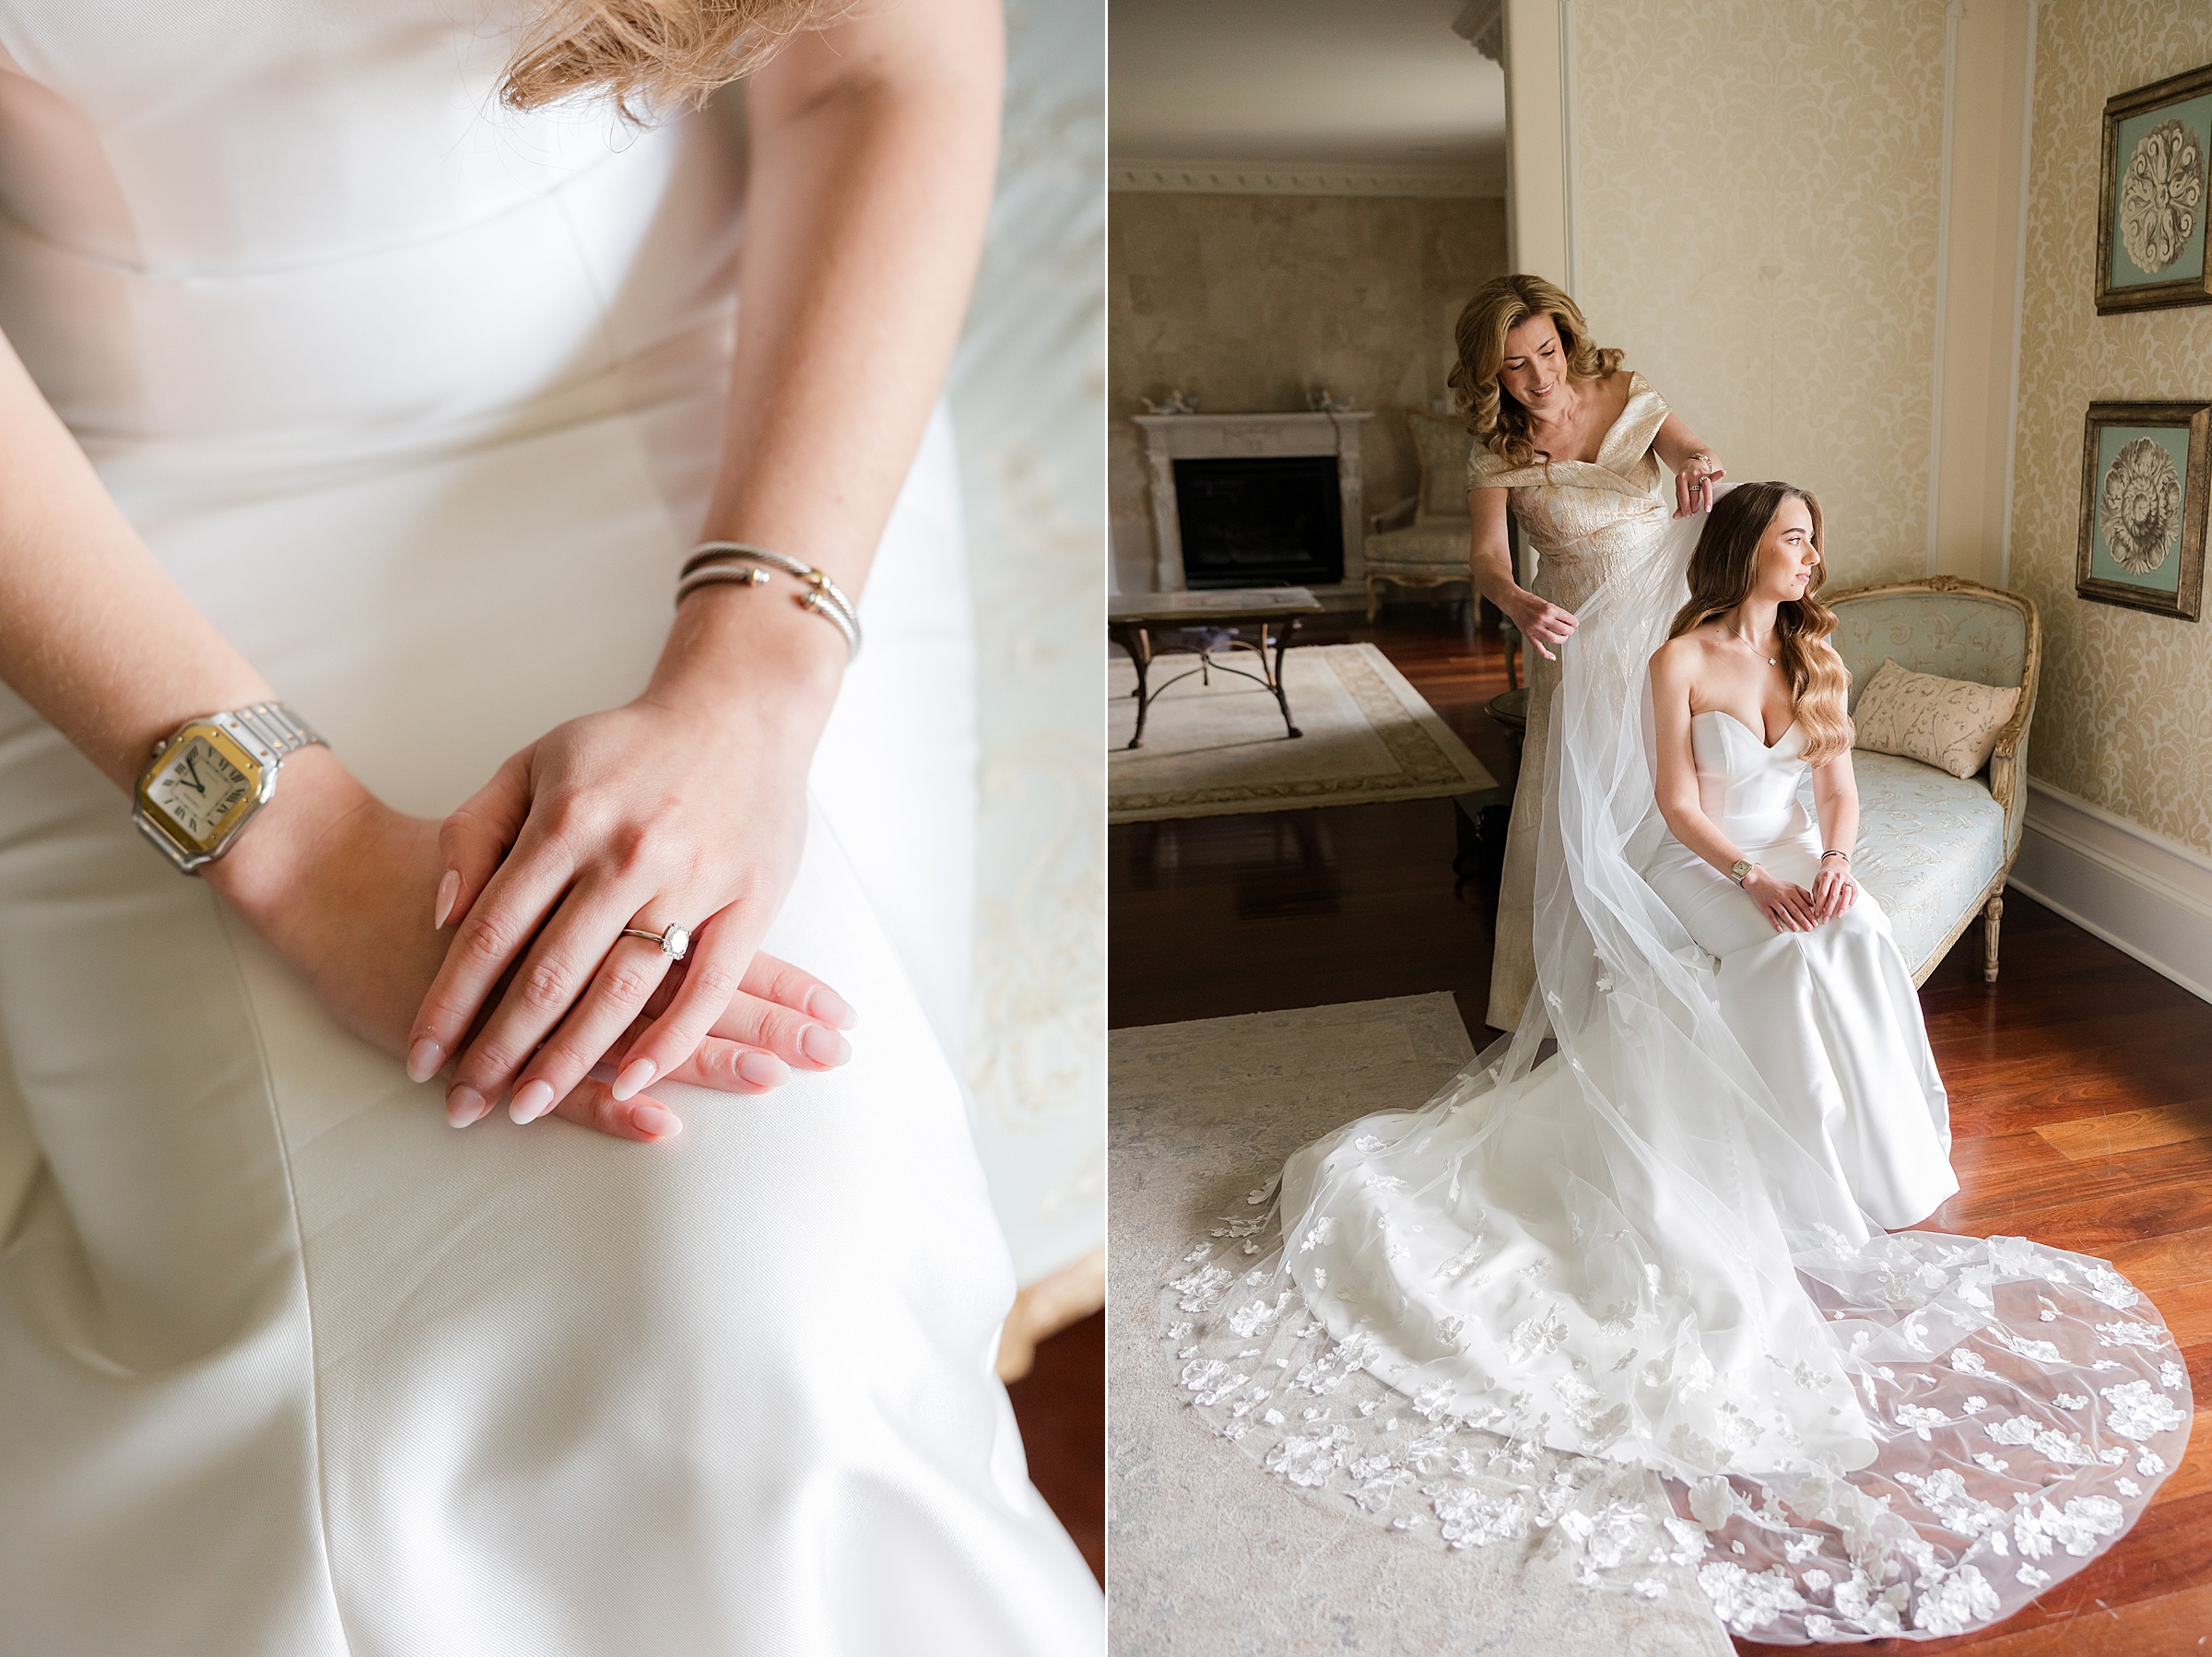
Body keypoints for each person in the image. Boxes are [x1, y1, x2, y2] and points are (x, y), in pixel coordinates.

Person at [0, 2, 1101, 1651]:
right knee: (412, 1401)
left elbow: (883, 61)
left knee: (756, 1314)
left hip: (735, 431)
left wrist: (751, 672)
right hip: (113, 533)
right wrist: (290, 846)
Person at [1166, 484, 2189, 1643]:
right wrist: (1753, 880)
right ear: (1746, 547)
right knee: (1780, 957)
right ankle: (1774, 1160)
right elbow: (1672, 802)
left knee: (1847, 937)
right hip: (1708, 864)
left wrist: (1839, 862)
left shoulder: (1820, 659)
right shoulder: (1678, 662)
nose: (1812, 555)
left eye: (1814, 536)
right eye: (1795, 537)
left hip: (1800, 854)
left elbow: (1839, 789)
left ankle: (1864, 1165)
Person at [1457, 273, 1725, 1032]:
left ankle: (1686, 966)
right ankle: (1585, 989)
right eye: (1516, 364)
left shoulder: (1624, 390)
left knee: (1677, 781)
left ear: (1565, 338)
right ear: (1492, 374)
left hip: (1668, 622)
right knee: (1589, 802)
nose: (1540, 376)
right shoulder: (1496, 452)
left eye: (1546, 350)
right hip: (1580, 639)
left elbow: (1691, 449)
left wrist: (1701, 461)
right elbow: (1486, 559)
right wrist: (1516, 603)